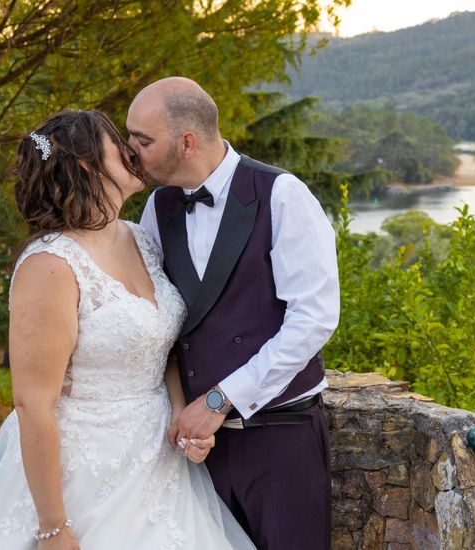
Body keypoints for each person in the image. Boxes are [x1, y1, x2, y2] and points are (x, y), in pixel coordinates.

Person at [0, 110, 254, 550]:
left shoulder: (139, 238)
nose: (131, 150)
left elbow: (159, 346)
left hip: (160, 465)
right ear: (89, 166)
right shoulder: (49, 265)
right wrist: (53, 527)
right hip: (82, 473)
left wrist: (184, 417)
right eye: (117, 142)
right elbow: (32, 403)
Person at [132, 77, 339, 549]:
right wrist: (187, 413)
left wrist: (220, 400)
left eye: (142, 140)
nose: (130, 151)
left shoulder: (283, 194)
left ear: (186, 142)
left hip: (280, 441)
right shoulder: (157, 208)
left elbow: (314, 319)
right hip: (196, 451)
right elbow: (155, 320)